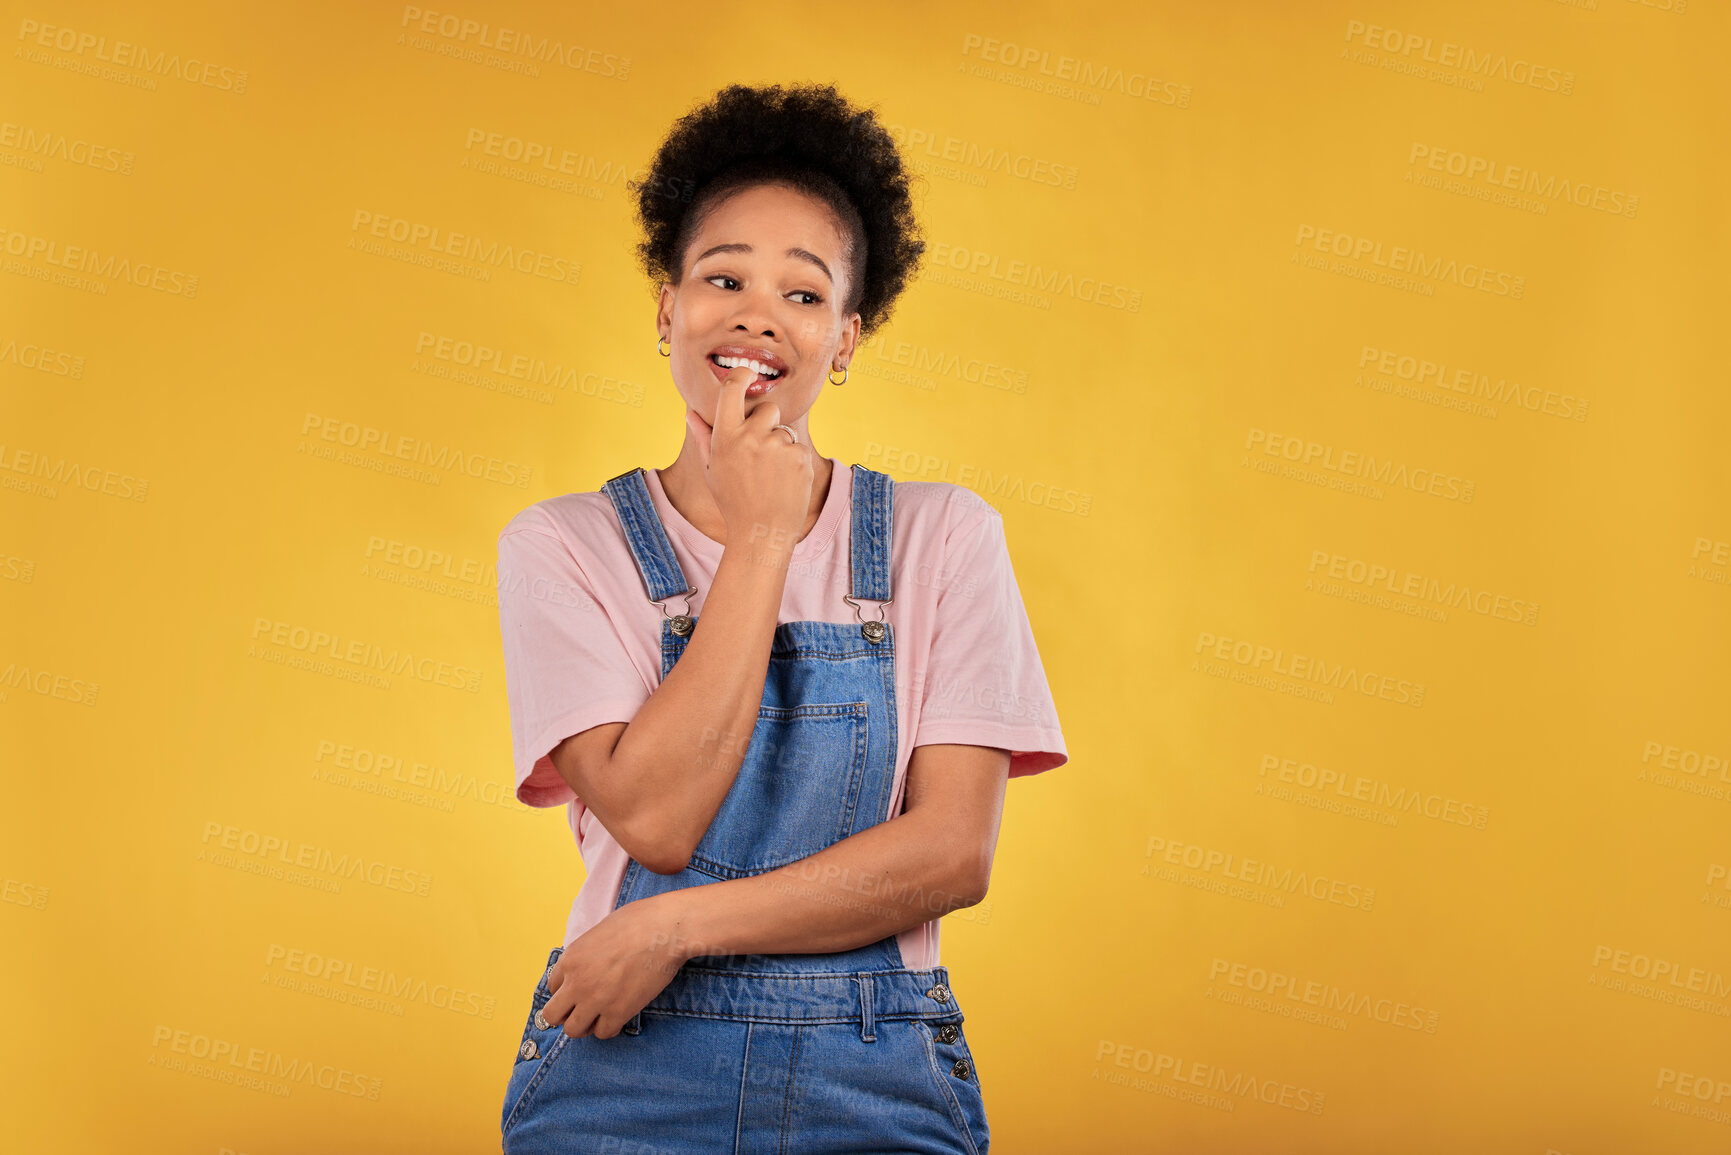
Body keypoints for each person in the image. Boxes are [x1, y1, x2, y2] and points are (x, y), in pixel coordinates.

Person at [494, 82, 1068, 1154]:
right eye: (724, 278)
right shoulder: (563, 546)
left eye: (804, 297)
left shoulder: (943, 538)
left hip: (874, 1067)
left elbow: (950, 854)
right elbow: (656, 821)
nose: (759, 314)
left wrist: (671, 926)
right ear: (668, 308)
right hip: (627, 1065)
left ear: (846, 339)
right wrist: (761, 540)